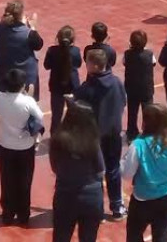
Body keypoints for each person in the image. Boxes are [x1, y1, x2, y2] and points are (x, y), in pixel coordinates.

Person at [74, 48, 127, 220]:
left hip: (93, 137)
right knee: (113, 169)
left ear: (94, 66)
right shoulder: (117, 82)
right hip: (113, 134)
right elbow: (123, 101)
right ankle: (117, 206)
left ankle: (97, 209)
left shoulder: (86, 89)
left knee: (94, 172)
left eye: (87, 62)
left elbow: (78, 111)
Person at [122, 104, 167, 242]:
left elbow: (127, 174)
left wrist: (122, 162)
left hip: (143, 200)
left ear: (145, 122)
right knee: (161, 237)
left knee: (134, 235)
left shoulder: (138, 145)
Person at [0, 68, 44, 226]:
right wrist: (29, 98)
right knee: (24, 180)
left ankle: (8, 213)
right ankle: (23, 214)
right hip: (25, 147)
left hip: (5, 145)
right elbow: (40, 116)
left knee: (7, 179)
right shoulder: (27, 101)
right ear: (22, 85)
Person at [50, 100, 106, 242]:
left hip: (65, 195)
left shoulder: (57, 139)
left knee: (61, 236)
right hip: (91, 197)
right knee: (88, 237)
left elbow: (54, 166)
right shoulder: (93, 140)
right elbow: (101, 170)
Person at [0, 0, 44, 99]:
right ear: (21, 15)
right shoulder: (28, 34)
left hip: (3, 77)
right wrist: (32, 26)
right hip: (24, 79)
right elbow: (38, 44)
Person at [45, 25, 83, 133]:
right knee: (73, 114)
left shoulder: (52, 51)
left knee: (56, 116)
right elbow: (79, 64)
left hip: (56, 87)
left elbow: (46, 66)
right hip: (72, 86)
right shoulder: (75, 51)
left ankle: (55, 139)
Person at [123, 30, 155, 140]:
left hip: (132, 88)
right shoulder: (149, 54)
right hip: (146, 88)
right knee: (148, 111)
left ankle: (131, 132)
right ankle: (149, 132)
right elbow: (153, 63)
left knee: (132, 111)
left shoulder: (127, 54)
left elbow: (124, 62)